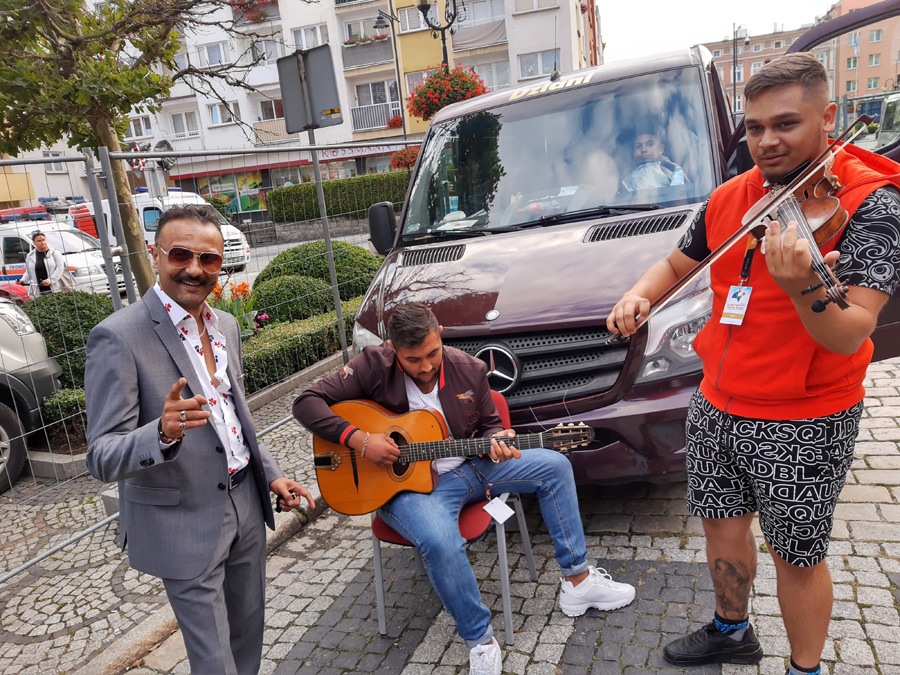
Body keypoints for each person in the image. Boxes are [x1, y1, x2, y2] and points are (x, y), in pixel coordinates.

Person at [606, 53, 900, 675]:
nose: (767, 141)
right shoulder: (731, 196)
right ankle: (731, 630)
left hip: (805, 417)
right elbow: (677, 263)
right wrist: (639, 293)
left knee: (798, 556)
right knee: (721, 527)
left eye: (786, 124)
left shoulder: (873, 205)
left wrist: (802, 287)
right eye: (755, 127)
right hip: (717, 401)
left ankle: (804, 668)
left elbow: (850, 332)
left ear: (829, 116)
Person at [293, 302, 635, 675]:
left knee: (555, 465)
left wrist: (497, 439)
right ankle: (480, 641)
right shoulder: (372, 365)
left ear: (440, 334)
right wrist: (360, 439)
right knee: (440, 541)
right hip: (408, 489)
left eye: (432, 353)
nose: (426, 367)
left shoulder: (469, 368)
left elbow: (489, 425)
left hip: (472, 468)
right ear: (392, 349)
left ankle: (578, 582)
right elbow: (305, 402)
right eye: (412, 360)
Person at [85, 203, 315, 675]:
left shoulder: (226, 324)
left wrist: (271, 474)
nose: (194, 269)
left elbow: (235, 419)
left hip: (246, 503)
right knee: (213, 659)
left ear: (221, 264)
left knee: (248, 633)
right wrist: (160, 432)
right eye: (180, 255)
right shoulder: (117, 337)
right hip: (183, 521)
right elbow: (101, 456)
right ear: (155, 255)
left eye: (208, 259)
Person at [621, 130, 686, 191]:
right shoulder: (625, 177)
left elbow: (684, 193)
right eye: (638, 146)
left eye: (650, 145)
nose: (644, 149)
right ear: (633, 153)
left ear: (660, 149)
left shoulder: (671, 170)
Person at [18, 230, 67, 296]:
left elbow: (60, 268)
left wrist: (50, 280)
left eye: (43, 240)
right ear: (34, 243)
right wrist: (23, 280)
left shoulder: (55, 253)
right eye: (39, 241)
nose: (42, 242)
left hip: (54, 287)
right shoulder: (30, 255)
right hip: (39, 289)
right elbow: (29, 271)